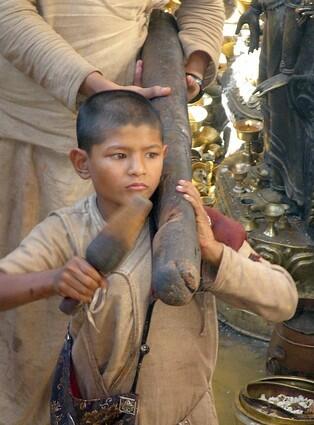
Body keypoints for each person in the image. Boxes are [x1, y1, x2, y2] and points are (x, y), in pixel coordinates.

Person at [0, 91, 298, 425]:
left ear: (166, 156)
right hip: (99, 414)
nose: (138, 169)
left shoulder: (197, 226)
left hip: (186, 415)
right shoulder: (69, 229)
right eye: (119, 156)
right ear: (82, 163)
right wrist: (51, 280)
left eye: (151, 154)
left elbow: (284, 301)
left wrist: (214, 254)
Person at [0, 2, 224, 423]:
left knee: (125, 330)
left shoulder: (141, 165)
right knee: (32, 335)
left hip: (134, 131)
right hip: (34, 129)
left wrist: (189, 69)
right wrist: (93, 86)